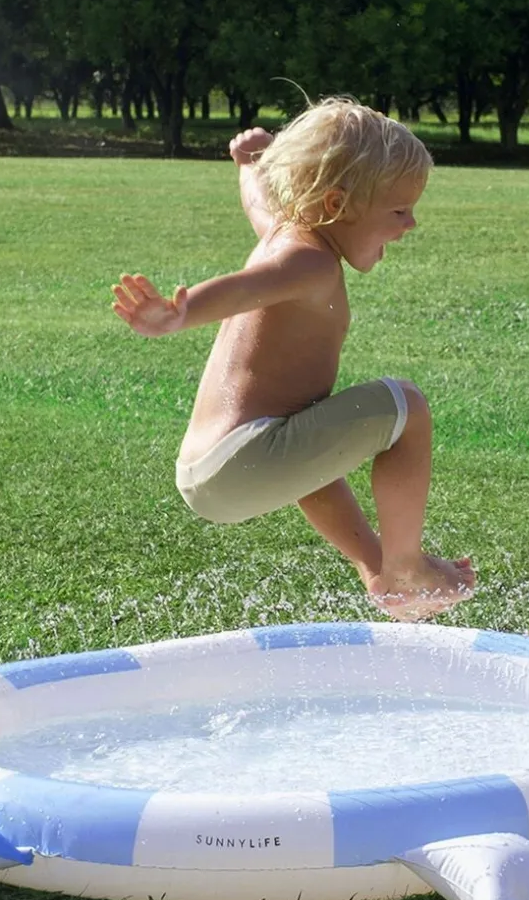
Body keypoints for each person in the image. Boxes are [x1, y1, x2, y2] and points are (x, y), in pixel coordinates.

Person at [110, 96, 474, 620]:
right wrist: (179, 314)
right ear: (335, 203)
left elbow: (258, 204)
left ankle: (378, 572)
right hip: (242, 456)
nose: (410, 224)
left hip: (211, 468)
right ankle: (406, 568)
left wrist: (248, 165)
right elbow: (245, 287)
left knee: (313, 444)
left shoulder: (287, 235)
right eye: (398, 211)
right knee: (408, 407)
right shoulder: (310, 262)